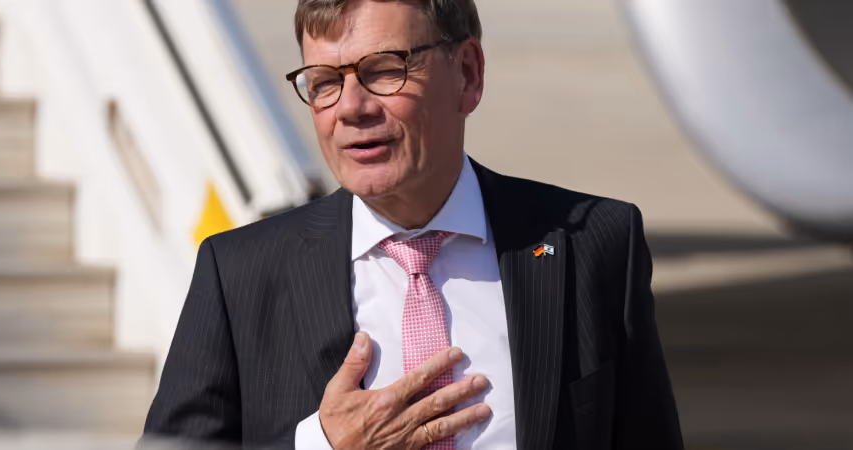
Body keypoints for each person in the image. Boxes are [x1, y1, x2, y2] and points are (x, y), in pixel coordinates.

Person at [143, 0, 684, 448]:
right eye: (324, 81)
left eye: (384, 70)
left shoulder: (594, 244)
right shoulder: (240, 273)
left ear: (467, 73)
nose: (351, 108)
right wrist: (324, 445)